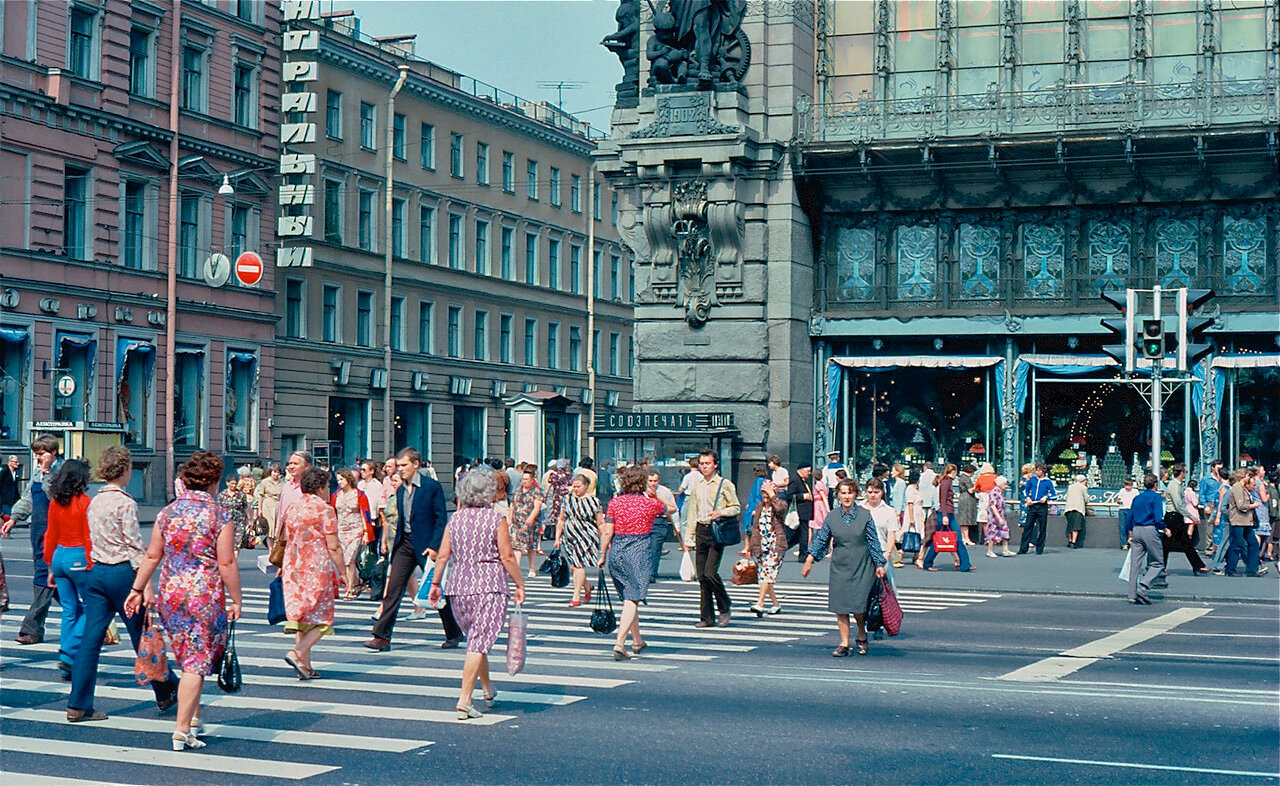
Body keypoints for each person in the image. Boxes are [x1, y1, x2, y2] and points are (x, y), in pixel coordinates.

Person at [125, 451, 242, 750]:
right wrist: (237, 600)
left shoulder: (168, 513)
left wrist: (137, 589)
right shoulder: (219, 515)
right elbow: (226, 563)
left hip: (172, 595)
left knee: (190, 657)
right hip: (203, 595)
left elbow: (152, 555)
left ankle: (193, 719)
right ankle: (181, 731)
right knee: (195, 663)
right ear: (214, 481)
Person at [66, 446, 178, 722]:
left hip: (97, 574)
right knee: (142, 635)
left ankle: (77, 704)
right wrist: (145, 585)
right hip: (122, 575)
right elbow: (135, 546)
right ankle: (166, 690)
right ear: (125, 470)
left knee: (90, 642)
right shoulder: (125, 503)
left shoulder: (95, 500)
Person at [427, 467, 525, 719]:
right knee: (479, 643)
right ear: (489, 494)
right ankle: (464, 699)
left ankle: (487, 688)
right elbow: (507, 556)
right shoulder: (496, 519)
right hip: (489, 587)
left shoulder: (455, 519)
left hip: (458, 588)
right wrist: (519, 584)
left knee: (475, 640)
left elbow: (444, 554)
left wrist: (435, 584)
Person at [366, 447, 460, 651]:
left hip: (427, 546)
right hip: (405, 544)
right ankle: (382, 636)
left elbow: (441, 519)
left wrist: (435, 546)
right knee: (393, 589)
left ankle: (453, 632)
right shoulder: (400, 489)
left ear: (416, 464)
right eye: (398, 466)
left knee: (436, 589)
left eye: (404, 465)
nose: (400, 469)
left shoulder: (431, 487)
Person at [802, 478, 887, 656]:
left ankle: (862, 635)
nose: (847, 496)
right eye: (843, 493)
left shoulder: (865, 515)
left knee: (858, 606)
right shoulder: (832, 516)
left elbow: (873, 541)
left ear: (855, 494)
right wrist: (809, 560)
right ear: (838, 495)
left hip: (862, 566)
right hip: (840, 566)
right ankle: (844, 643)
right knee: (840, 606)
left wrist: (879, 563)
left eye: (850, 492)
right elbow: (822, 540)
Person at [281, 466, 345, 680]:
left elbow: (282, 538)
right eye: (327, 486)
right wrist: (344, 572)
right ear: (319, 487)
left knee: (302, 618)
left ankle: (305, 666)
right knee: (324, 618)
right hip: (315, 567)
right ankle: (297, 653)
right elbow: (333, 545)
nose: (329, 491)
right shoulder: (325, 510)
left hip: (292, 566)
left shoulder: (292, 507)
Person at [598, 467, 668, 659]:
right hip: (638, 552)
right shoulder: (649, 504)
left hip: (617, 551)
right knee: (632, 598)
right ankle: (620, 643)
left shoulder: (615, 502)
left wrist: (601, 554)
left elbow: (607, 531)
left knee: (629, 596)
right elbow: (671, 508)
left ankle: (637, 640)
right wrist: (654, 496)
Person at [43, 458, 93, 680]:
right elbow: (89, 536)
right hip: (78, 555)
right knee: (92, 607)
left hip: (59, 556)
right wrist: (92, 563)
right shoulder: (85, 502)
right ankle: (70, 653)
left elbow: (50, 534)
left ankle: (66, 663)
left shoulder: (55, 501)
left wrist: (50, 566)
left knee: (69, 610)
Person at [681, 449, 741, 628]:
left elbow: (736, 507)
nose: (704, 466)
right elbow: (693, 512)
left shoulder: (724, 484)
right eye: (702, 463)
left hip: (716, 531)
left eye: (707, 463)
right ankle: (707, 617)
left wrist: (720, 512)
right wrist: (688, 537)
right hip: (701, 529)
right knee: (702, 576)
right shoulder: (698, 485)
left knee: (710, 572)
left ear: (715, 464)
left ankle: (724, 606)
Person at [12, 434, 60, 645]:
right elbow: (28, 498)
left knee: (43, 577)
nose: (38, 458)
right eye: (36, 455)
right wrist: (13, 518)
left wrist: (47, 473)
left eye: (42, 454)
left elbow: (55, 496)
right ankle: (94, 621)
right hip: (37, 532)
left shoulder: (60, 471)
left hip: (54, 534)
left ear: (53, 453)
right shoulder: (37, 473)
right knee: (56, 583)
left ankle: (31, 629)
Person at [555, 473, 604, 606]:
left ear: (586, 486)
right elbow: (561, 519)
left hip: (586, 536)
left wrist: (604, 539)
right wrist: (557, 537)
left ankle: (576, 596)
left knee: (578, 565)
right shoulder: (567, 499)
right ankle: (587, 586)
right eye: (574, 486)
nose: (576, 489)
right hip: (569, 536)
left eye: (579, 486)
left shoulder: (594, 501)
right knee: (574, 566)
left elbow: (600, 522)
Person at [1125, 474, 1168, 604]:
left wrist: (1129, 533)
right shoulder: (1156, 498)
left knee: (1135, 564)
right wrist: (1165, 528)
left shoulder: (1137, 498)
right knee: (1158, 562)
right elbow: (1158, 517)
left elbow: (1129, 516)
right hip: (1150, 530)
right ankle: (1143, 585)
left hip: (1136, 530)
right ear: (1156, 484)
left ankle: (1132, 595)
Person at [748, 480, 788, 617]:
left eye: (768, 492)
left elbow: (781, 509)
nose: (766, 496)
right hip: (761, 545)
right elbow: (754, 528)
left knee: (766, 574)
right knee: (766, 577)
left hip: (775, 546)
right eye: (764, 492)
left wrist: (773, 496)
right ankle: (776, 604)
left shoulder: (779, 505)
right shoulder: (759, 506)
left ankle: (760, 603)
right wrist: (751, 546)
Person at [921, 467, 973, 572]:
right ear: (953, 472)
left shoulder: (946, 481)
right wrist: (944, 515)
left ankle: (965, 564)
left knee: (947, 539)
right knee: (941, 540)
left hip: (948, 514)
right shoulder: (946, 482)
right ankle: (927, 562)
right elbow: (943, 500)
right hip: (945, 514)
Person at [331, 469, 372, 599]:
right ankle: (354, 583)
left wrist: (366, 533)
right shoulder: (336, 494)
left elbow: (364, 513)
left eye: (341, 479)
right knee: (344, 560)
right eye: (338, 480)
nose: (339, 482)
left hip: (356, 530)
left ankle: (349, 588)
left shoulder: (359, 494)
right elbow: (333, 513)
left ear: (348, 479)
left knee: (350, 559)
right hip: (341, 530)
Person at [1221, 468, 1264, 577]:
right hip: (1238, 521)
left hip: (1246, 521)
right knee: (1236, 545)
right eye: (1248, 476)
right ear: (1242, 476)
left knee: (1253, 544)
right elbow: (1241, 506)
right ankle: (1230, 569)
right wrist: (1253, 506)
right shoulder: (1237, 488)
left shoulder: (1242, 488)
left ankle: (1252, 569)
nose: (1249, 478)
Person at [509, 468, 545, 577]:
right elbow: (512, 505)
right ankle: (516, 569)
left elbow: (537, 507)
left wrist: (531, 518)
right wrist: (509, 519)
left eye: (526, 479)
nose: (524, 481)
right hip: (517, 522)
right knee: (516, 546)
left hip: (530, 524)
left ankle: (532, 568)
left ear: (532, 480)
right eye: (523, 479)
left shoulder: (536, 492)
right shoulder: (517, 491)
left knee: (531, 546)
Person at [646, 471, 679, 582]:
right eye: (650, 481)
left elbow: (673, 508)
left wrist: (676, 526)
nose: (652, 483)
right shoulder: (642, 491)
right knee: (645, 547)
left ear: (658, 481)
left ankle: (652, 573)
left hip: (660, 520)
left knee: (655, 547)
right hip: (645, 520)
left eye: (655, 481)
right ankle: (644, 571)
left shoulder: (665, 491)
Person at [274, 450, 311, 543]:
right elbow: (281, 512)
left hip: (305, 537)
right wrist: (278, 532)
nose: (291, 467)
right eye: (290, 463)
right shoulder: (286, 486)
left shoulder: (311, 487)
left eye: (295, 463)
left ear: (307, 466)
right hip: (286, 537)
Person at [1019, 462, 1054, 555]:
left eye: (1039, 470)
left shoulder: (1047, 481)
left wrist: (1046, 497)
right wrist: (1028, 498)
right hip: (1033, 505)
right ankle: (1023, 548)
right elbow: (1026, 490)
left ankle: (1039, 549)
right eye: (1036, 470)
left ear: (1043, 471)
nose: (1037, 472)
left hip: (1042, 506)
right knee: (1028, 526)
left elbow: (1053, 494)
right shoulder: (1032, 480)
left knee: (1042, 528)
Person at [786, 463, 815, 562]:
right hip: (800, 512)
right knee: (803, 534)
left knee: (798, 535)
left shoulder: (804, 481)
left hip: (805, 512)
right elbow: (789, 495)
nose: (809, 474)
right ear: (801, 470)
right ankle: (803, 555)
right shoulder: (795, 480)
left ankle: (782, 549)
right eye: (808, 471)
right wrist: (803, 496)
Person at [740, 464, 768, 553]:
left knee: (748, 526)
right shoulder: (763, 481)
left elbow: (757, 495)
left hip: (754, 506)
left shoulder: (758, 481)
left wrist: (755, 509)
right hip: (754, 505)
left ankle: (747, 547)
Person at [217, 475, 250, 552]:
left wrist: (249, 520)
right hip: (226, 522)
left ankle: (235, 560)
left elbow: (245, 507)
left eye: (235, 483)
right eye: (232, 483)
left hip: (239, 521)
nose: (234, 485)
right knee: (227, 543)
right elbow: (218, 509)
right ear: (227, 483)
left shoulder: (241, 495)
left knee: (237, 544)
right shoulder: (222, 495)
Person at [955, 464, 977, 552]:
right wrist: (977, 486)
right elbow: (970, 490)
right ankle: (966, 538)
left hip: (963, 498)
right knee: (966, 519)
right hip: (967, 499)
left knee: (964, 519)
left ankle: (965, 538)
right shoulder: (966, 479)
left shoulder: (962, 477)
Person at [1064, 474, 1088, 549]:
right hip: (1078, 508)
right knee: (1076, 527)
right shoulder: (1083, 488)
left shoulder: (1070, 487)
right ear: (1083, 481)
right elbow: (1087, 499)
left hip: (1069, 508)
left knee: (1070, 525)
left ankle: (1070, 541)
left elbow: (1066, 496)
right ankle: (1074, 542)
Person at [1116, 477, 1138, 550]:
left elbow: (1137, 500)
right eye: (1126, 485)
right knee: (1122, 527)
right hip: (1123, 509)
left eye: (1129, 485)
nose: (1127, 487)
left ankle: (1132, 542)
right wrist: (1120, 501)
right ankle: (1124, 544)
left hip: (1131, 510)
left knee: (1132, 527)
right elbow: (1118, 500)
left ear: (1131, 485)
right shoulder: (1122, 491)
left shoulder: (1135, 491)